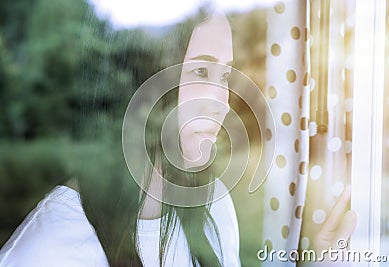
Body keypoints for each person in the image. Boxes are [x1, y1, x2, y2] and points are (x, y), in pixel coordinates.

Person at [0, 11, 240, 267]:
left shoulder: (215, 206)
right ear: (141, 76)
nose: (222, 105)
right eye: (200, 71)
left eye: (225, 75)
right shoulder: (47, 252)